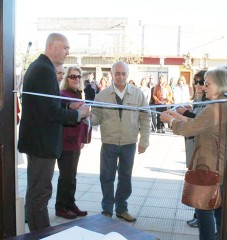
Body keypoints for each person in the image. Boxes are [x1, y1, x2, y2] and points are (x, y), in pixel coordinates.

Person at [18, 33, 89, 232]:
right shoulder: (43, 70)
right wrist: (77, 114)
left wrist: (67, 106)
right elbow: (49, 112)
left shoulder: (41, 67)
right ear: (52, 46)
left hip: (39, 141)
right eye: (65, 47)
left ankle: (39, 231)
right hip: (42, 143)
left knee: (37, 192)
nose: (68, 52)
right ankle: (41, 234)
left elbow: (45, 106)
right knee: (40, 193)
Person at [161, 68, 227, 240]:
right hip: (221, 168)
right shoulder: (224, 103)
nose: (203, 87)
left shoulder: (214, 107)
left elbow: (190, 128)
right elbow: (199, 123)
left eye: (207, 83)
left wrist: (172, 121)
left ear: (220, 84)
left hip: (210, 168)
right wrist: (177, 115)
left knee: (205, 214)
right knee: (220, 216)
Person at [90, 61, 151, 222]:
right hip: (109, 142)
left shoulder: (138, 94)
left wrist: (144, 140)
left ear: (128, 75)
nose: (120, 77)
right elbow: (96, 118)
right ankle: (107, 210)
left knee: (125, 177)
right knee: (106, 176)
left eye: (123, 74)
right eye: (117, 73)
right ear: (111, 74)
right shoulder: (102, 95)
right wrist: (85, 116)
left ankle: (121, 208)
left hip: (129, 142)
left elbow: (146, 118)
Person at [174, 70, 207, 228]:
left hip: (201, 148)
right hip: (193, 144)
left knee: (200, 182)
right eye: (196, 81)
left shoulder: (212, 101)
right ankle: (197, 214)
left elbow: (199, 123)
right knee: (195, 179)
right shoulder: (200, 99)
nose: (199, 85)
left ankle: (202, 216)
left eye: (203, 82)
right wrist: (188, 110)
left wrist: (183, 113)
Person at [55, 66, 88, 219]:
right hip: (65, 141)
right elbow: (62, 115)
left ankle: (70, 203)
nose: (76, 79)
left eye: (79, 77)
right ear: (67, 79)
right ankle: (61, 206)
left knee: (72, 176)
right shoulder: (62, 95)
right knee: (66, 176)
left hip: (76, 142)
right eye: (73, 76)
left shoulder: (78, 94)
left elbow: (83, 119)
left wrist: (83, 139)